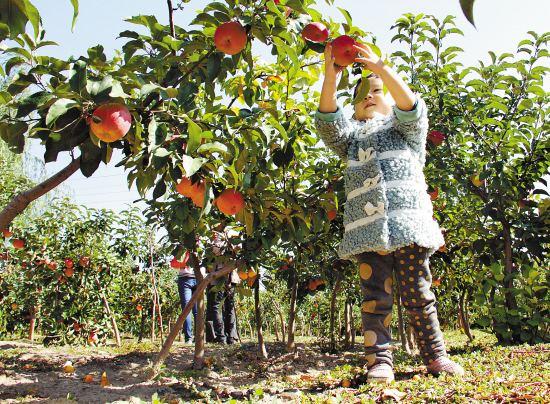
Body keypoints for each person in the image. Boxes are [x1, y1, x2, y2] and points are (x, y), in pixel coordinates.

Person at [314, 41, 465, 383]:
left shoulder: (406, 132)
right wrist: (330, 76)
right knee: (375, 300)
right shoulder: (352, 138)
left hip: (408, 227)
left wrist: (381, 69)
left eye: (377, 91)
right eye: (362, 95)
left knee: (419, 295)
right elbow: (327, 123)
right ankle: (379, 362)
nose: (369, 96)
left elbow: (412, 107)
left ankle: (436, 357)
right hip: (368, 232)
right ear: (353, 109)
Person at [205, 227, 241, 344]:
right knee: (218, 307)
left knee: (229, 307)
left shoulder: (231, 234)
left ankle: (230, 336)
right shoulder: (214, 238)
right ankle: (221, 336)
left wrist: (228, 239)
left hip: (229, 276)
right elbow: (213, 252)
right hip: (218, 276)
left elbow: (239, 248)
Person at [176, 251, 198, 345]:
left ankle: (190, 338)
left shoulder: (182, 247)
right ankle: (195, 337)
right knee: (194, 310)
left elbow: (175, 262)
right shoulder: (201, 246)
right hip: (195, 278)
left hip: (190, 278)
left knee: (187, 309)